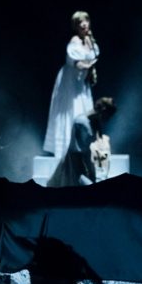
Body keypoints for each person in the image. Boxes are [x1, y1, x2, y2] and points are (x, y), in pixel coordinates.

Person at [43, 11, 100, 158]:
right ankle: (68, 148)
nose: (84, 24)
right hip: (70, 81)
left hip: (82, 83)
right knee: (71, 110)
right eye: (80, 22)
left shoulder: (89, 41)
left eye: (85, 21)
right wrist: (88, 66)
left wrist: (90, 69)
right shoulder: (74, 41)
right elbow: (76, 63)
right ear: (76, 26)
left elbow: (92, 57)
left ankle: (83, 146)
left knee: (84, 109)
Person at [47, 97, 116, 187]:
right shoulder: (81, 123)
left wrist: (92, 173)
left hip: (85, 164)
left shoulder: (93, 123)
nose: (107, 120)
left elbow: (89, 152)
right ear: (103, 111)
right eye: (108, 117)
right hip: (75, 166)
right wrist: (87, 175)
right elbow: (77, 155)